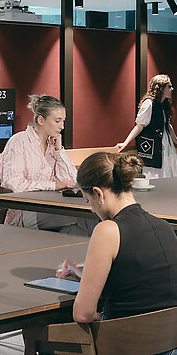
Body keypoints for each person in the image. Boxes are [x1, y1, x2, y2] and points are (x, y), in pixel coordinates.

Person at [57, 152, 177, 354]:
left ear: (98, 194)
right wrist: (86, 274)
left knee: (38, 332)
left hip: (122, 345)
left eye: (88, 201)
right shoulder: (164, 227)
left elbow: (83, 314)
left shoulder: (108, 230)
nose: (91, 209)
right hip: (169, 345)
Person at [0, 94, 93, 235]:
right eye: (57, 121)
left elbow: (72, 181)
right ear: (41, 120)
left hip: (53, 209)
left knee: (77, 231)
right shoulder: (18, 142)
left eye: (63, 121)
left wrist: (59, 151)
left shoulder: (53, 145)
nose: (62, 126)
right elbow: (15, 184)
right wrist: (54, 185)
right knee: (90, 216)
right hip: (27, 212)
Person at [116, 74, 177, 179]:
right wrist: (125, 143)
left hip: (166, 144)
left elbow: (167, 125)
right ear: (161, 88)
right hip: (154, 145)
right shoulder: (149, 103)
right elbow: (139, 126)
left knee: (168, 171)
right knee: (155, 173)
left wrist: (175, 140)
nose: (172, 89)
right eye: (169, 86)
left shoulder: (164, 105)